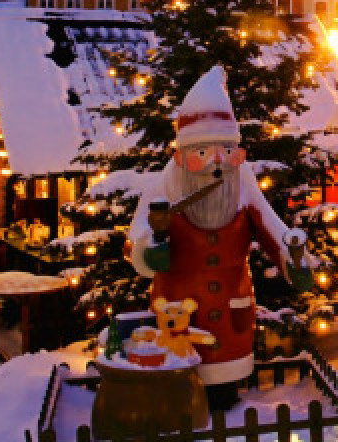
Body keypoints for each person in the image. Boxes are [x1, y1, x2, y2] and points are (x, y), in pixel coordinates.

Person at [129, 66, 312, 409]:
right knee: (185, 379)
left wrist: (293, 261)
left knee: (228, 397)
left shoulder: (241, 183)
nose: (218, 164)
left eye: (227, 152)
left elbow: (272, 227)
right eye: (203, 154)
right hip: (180, 308)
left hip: (233, 309)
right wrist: (149, 248)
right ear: (182, 155)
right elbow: (138, 233)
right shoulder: (166, 186)